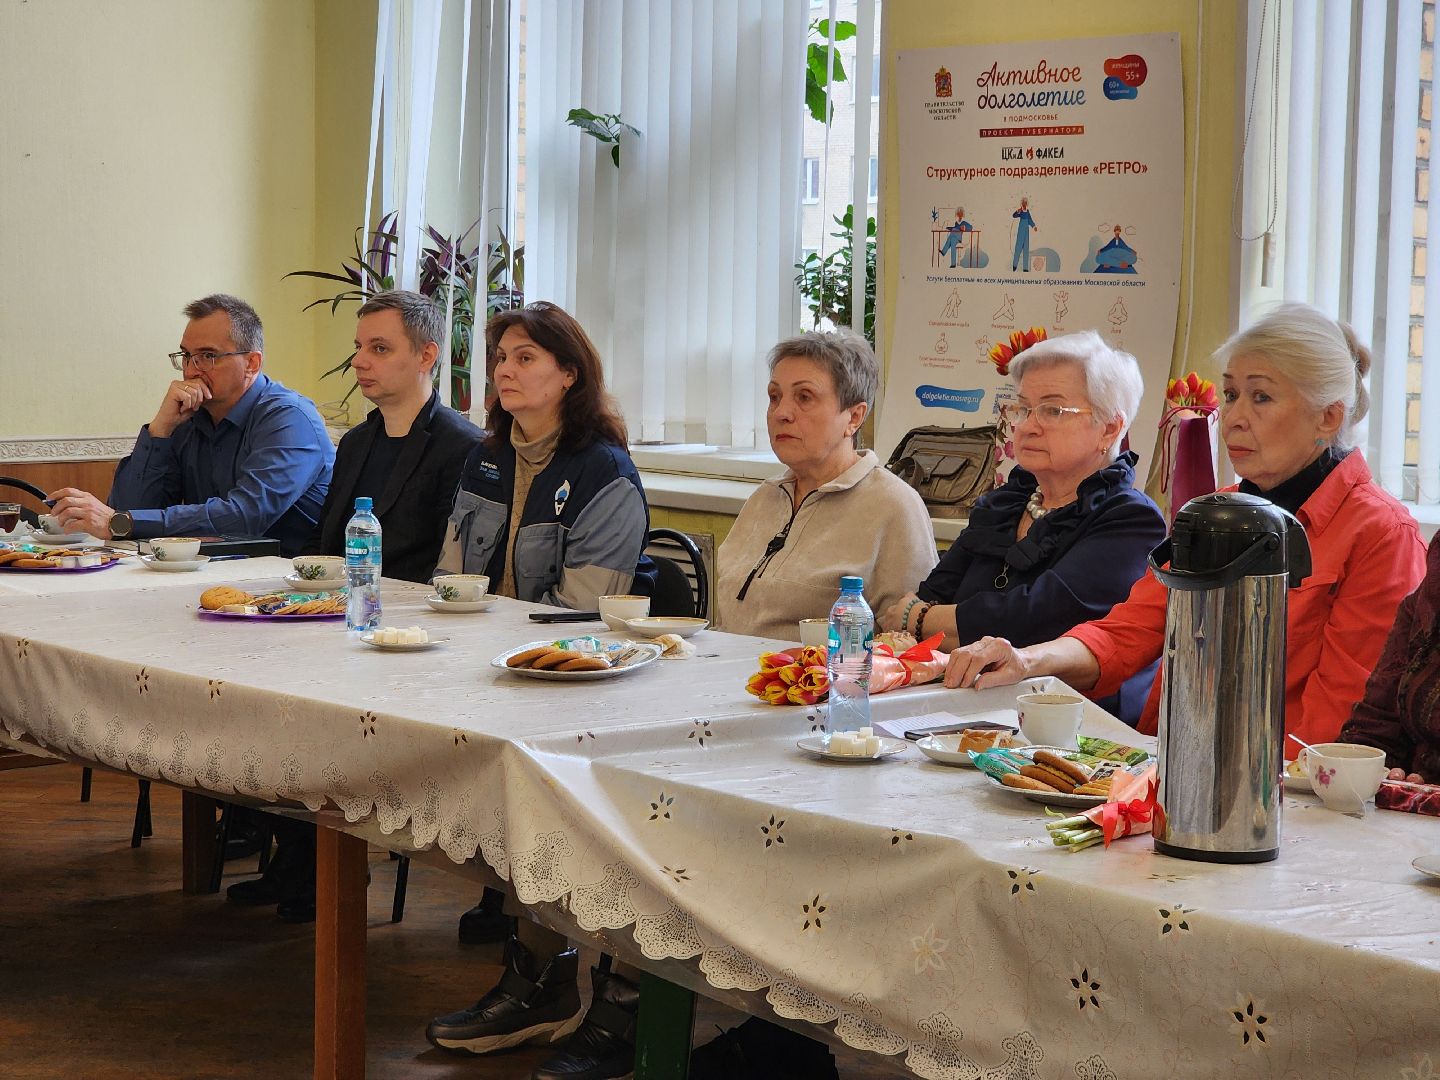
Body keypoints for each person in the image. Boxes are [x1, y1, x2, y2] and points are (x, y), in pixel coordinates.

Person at [941, 303, 1427, 748]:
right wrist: (1027, 661)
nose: (1233, 417)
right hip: (1166, 766)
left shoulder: (1379, 533)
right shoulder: (1213, 512)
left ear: (1328, 417)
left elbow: (1338, 723)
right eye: (1231, 393)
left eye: (1260, 397)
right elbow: (1125, 633)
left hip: (1283, 798)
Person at [427, 301, 654, 1080]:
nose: (504, 370)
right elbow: (455, 575)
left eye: (525, 357)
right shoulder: (485, 457)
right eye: (500, 357)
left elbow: (587, 611)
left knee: (547, 810)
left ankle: (549, 978)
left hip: (577, 685)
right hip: (492, 666)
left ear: (569, 374)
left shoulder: (603, 471)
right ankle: (541, 978)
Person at [224, 290, 482, 923]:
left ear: (427, 356)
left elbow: (449, 563)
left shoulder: (460, 445)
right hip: (345, 617)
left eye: (379, 348)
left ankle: (325, 868)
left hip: (416, 635)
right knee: (267, 686)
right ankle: (296, 853)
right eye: (359, 349)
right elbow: (326, 539)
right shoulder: (358, 441)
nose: (361, 362)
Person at [878, 330, 1165, 725]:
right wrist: (926, 615)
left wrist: (923, 618)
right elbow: (935, 589)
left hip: (1067, 725)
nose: (1027, 426)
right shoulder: (1006, 502)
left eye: (1052, 411)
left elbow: (1035, 619)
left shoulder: (1131, 519)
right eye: (1023, 408)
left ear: (1110, 428)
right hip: (958, 707)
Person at [50, 294, 332, 556]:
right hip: (211, 575)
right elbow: (129, 512)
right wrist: (159, 430)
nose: (192, 370)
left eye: (208, 356)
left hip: (295, 589)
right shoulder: (188, 415)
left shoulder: (290, 418)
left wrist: (122, 522)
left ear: (251, 363)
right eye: (186, 355)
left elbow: (244, 517)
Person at [714, 330, 936, 641]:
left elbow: (907, 644)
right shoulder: (764, 498)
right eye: (774, 397)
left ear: (854, 417)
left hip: (823, 685)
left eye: (804, 397)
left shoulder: (894, 506)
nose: (781, 413)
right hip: (725, 679)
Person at [1339, 533, 1440, 784]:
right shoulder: (1429, 592)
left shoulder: (1382, 529)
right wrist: (1365, 772)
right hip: (1415, 807)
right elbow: (1378, 726)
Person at [1011, 197, 1037, 272]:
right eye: (1023, 203)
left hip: (1026, 231)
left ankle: (1025, 268)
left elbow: (1030, 220)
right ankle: (1014, 265)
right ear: (1021, 203)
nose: (1024, 204)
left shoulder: (1028, 211)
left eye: (1025, 203)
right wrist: (1017, 211)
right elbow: (1014, 215)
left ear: (1027, 204)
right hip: (1021, 230)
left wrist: (1034, 226)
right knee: (1018, 247)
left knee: (1026, 248)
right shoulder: (1020, 211)